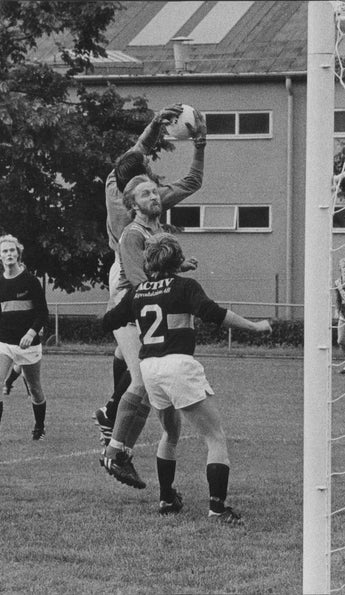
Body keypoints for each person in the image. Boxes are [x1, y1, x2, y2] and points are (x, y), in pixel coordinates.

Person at [103, 233, 271, 524]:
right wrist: (254, 327)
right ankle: (218, 510)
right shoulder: (185, 286)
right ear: (178, 259)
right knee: (215, 437)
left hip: (149, 368)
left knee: (170, 433)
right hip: (178, 364)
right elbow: (213, 313)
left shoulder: (139, 290)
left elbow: (110, 321)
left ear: (149, 260)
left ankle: (167, 500)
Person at [95, 104, 207, 446]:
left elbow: (136, 152)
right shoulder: (131, 209)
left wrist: (155, 124)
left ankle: (110, 411)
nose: (151, 178)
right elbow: (138, 277)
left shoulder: (123, 182)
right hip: (128, 273)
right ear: (135, 196)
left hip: (139, 269)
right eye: (145, 178)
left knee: (124, 355)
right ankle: (116, 431)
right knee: (143, 363)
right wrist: (199, 147)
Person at [100, 175, 199, 489]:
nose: (154, 196)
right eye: (145, 193)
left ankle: (118, 448)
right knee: (142, 379)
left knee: (147, 381)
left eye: (155, 191)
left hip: (147, 312)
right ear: (132, 204)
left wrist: (179, 268)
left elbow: (158, 270)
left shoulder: (160, 231)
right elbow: (139, 281)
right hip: (131, 312)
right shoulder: (132, 233)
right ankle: (114, 450)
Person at [0, 235, 49, 445]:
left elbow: (42, 313)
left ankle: (39, 427)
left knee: (34, 388)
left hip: (28, 345)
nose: (9, 254)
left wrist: (31, 333)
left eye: (12, 250)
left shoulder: (30, 280)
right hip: (4, 342)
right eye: (4, 251)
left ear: (18, 254)